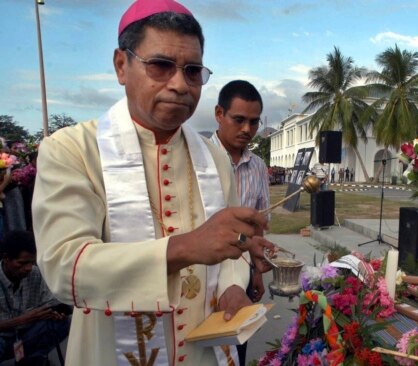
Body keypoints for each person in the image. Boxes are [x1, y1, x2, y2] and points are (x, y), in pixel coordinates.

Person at [32, 1, 271, 365]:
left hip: (203, 353)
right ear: (121, 66)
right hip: (110, 353)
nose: (179, 84)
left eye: (192, 71)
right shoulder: (73, 150)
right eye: (160, 66)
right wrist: (187, 247)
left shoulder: (213, 158)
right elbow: (65, 268)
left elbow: (230, 250)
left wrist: (232, 286)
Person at [211, 80, 274, 365]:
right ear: (218, 114)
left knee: (237, 346)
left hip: (244, 272)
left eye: (254, 122)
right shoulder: (198, 158)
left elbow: (259, 222)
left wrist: (257, 272)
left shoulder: (258, 165)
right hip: (203, 274)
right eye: (238, 120)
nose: (247, 129)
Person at [0, 231, 70, 365]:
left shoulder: (35, 273)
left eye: (31, 262)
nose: (28, 268)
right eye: (22, 263)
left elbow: (52, 302)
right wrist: (22, 320)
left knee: (61, 324)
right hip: (3, 339)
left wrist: (55, 313)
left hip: (26, 335)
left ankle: (32, 359)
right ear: (6, 258)